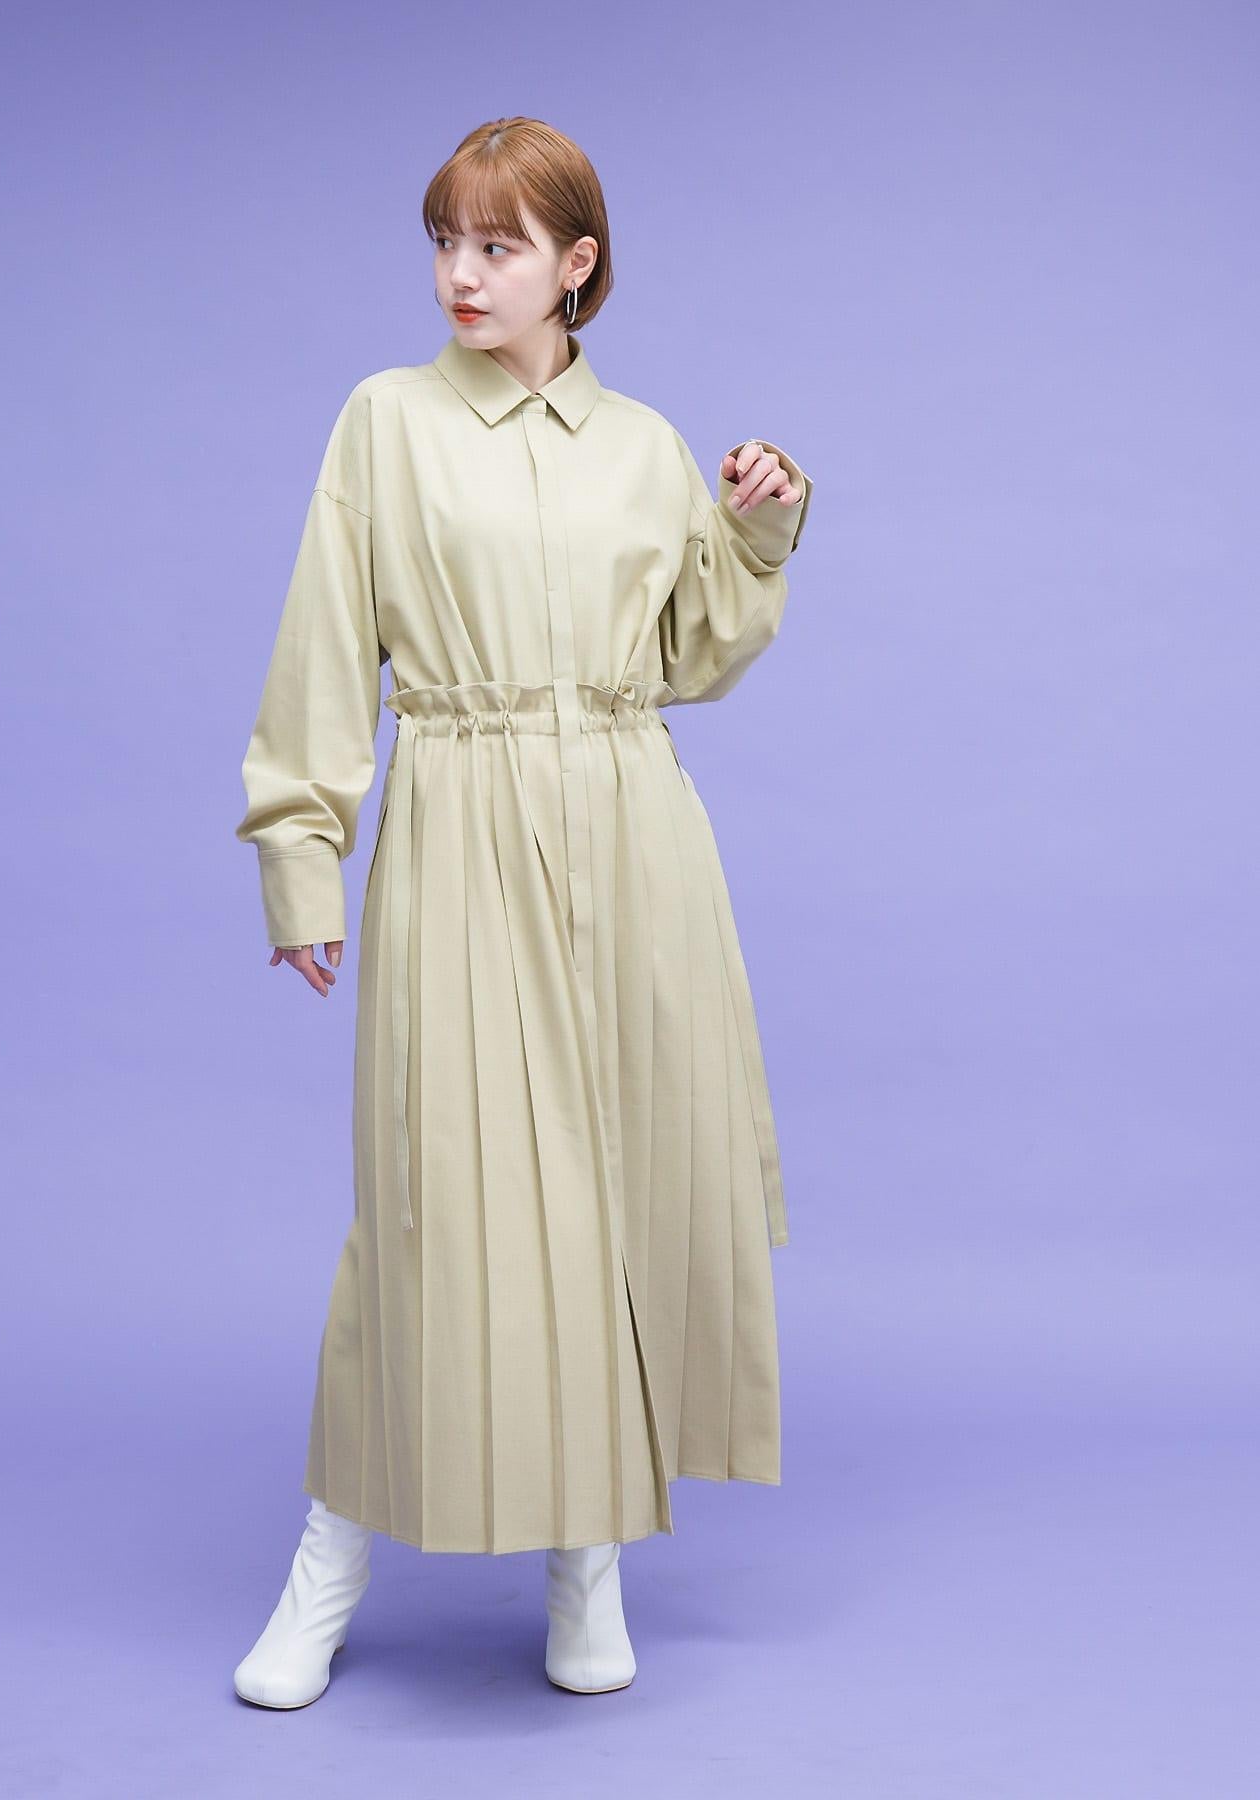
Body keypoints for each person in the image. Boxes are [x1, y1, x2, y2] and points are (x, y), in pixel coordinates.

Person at [231, 116, 813, 1708]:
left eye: (498, 245)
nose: (461, 275)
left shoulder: (641, 445)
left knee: (619, 1189)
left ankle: (588, 1558)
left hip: (634, 836)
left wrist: (756, 530)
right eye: (445, 240)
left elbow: (690, 656)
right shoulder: (385, 423)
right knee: (434, 1204)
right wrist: (301, 852)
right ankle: (330, 1563)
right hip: (464, 827)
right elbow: (323, 643)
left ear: (577, 265)